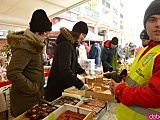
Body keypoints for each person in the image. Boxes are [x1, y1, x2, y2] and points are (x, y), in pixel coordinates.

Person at [110, 0, 160, 119]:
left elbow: (156, 95)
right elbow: (137, 77)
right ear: (145, 25)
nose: (158, 24)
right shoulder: (146, 50)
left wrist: (120, 90)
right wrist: (121, 82)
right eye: (152, 19)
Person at [6, 9, 52, 117]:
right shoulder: (25, 46)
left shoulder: (34, 45)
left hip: (33, 98)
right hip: (24, 100)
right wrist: (33, 88)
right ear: (37, 32)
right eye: (45, 33)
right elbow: (13, 73)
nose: (46, 37)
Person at [45, 21, 89, 102]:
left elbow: (74, 63)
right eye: (83, 35)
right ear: (77, 33)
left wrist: (82, 71)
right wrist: (80, 84)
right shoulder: (66, 44)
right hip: (58, 86)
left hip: (64, 86)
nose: (83, 38)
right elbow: (64, 68)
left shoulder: (72, 45)